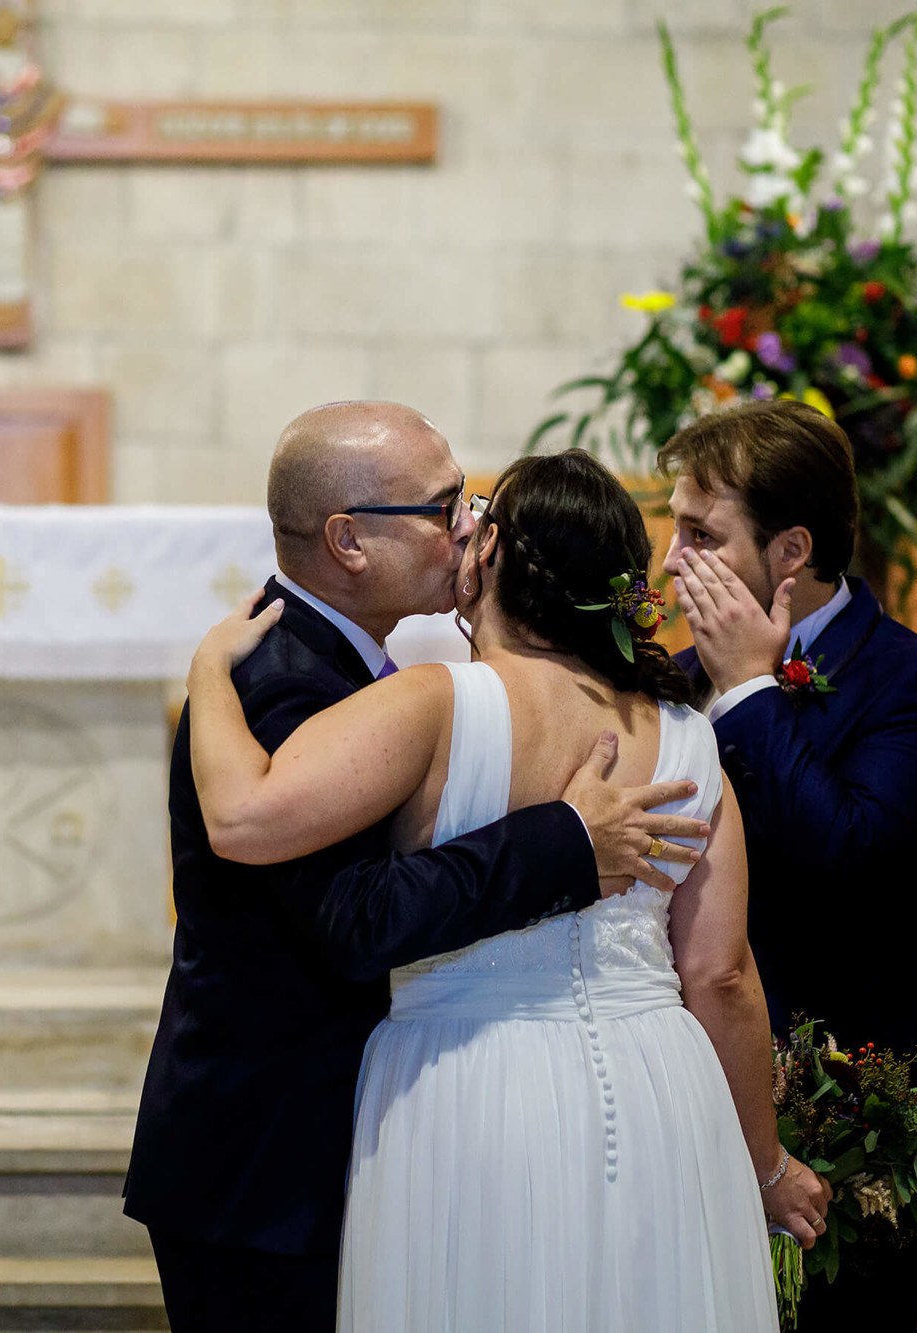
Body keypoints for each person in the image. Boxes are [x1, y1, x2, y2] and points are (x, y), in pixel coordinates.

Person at [183, 447, 829, 1331]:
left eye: (471, 515)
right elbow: (722, 976)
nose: (457, 529)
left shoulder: (432, 703)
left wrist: (206, 677)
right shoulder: (687, 732)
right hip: (660, 1087)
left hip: (468, 1087)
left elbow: (245, 817)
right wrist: (763, 1165)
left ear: (487, 559)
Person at [661, 399, 917, 1331]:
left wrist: (755, 691)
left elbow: (854, 862)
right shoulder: (672, 681)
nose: (673, 559)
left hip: (851, 1118)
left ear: (790, 550)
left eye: (701, 534)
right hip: (699, 1102)